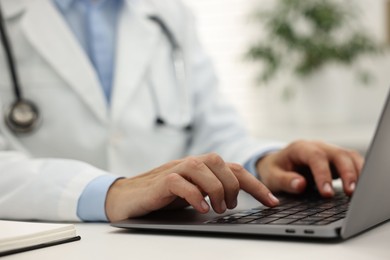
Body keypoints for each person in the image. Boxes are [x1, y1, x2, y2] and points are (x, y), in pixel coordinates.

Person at [0, 0, 363, 222]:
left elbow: (216, 132)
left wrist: (265, 163)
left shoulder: (169, 13)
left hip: (172, 240)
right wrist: (110, 192)